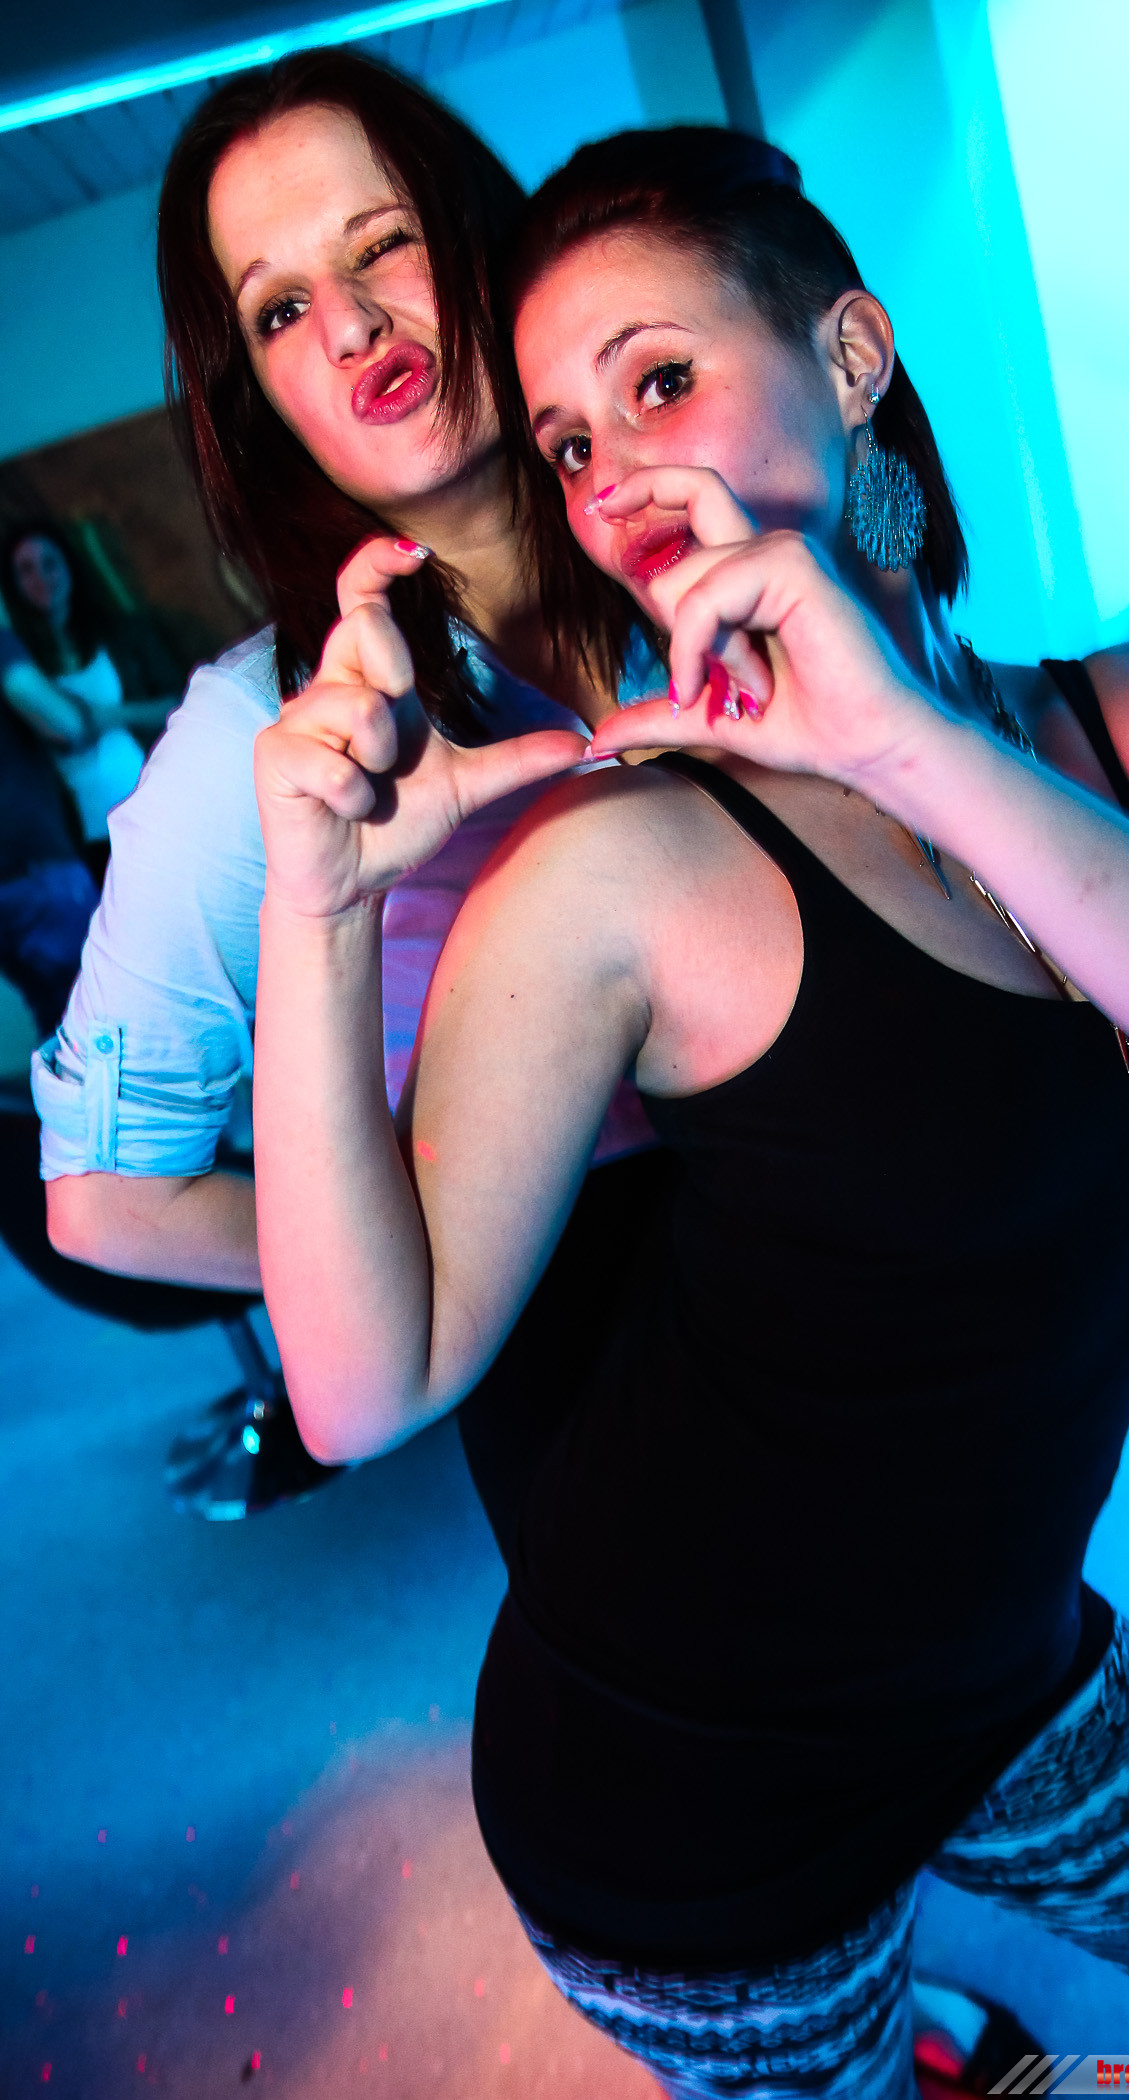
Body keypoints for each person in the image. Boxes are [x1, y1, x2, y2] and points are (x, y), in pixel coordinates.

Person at [248, 128, 1129, 2097]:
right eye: (568, 442)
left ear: (851, 355)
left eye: (657, 381)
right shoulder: (624, 866)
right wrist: (319, 908)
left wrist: (904, 742)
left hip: (1013, 1666)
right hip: (690, 1803)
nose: (610, 480)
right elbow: (360, 1390)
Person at [33, 49, 658, 1527]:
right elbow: (107, 1199)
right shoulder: (260, 731)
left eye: (383, 243)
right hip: (608, 1409)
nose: (355, 324)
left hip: (870, 1293)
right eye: (279, 309)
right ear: (261, 399)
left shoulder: (695, 549)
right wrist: (423, 1253)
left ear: (486, 239)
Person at [1, 520, 182, 883]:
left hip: (160, 804)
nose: (41, 578)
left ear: (68, 565)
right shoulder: (20, 671)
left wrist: (104, 716)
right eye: (27, 570)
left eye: (49, 563)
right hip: (90, 837)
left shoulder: (121, 634)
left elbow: (181, 706)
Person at [0, 617, 99, 1037]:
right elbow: (61, 722)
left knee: (56, 1021)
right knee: (105, 1003)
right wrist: (81, 717)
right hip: (34, 862)